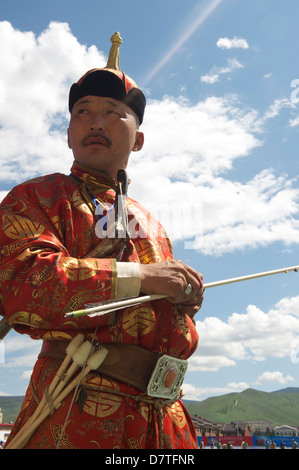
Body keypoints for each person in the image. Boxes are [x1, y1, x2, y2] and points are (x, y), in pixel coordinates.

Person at [1, 32, 204, 449]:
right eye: (83, 112)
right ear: (69, 134)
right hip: (77, 408)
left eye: (114, 112)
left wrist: (183, 304)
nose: (96, 121)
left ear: (139, 139)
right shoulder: (38, 197)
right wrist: (142, 277)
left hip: (166, 421)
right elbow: (22, 285)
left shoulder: (153, 225)